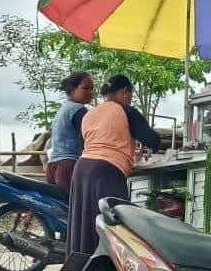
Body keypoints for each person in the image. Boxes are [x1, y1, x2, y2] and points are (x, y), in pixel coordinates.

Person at [67, 74, 160, 258]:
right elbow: (153, 140)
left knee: (85, 224)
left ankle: (83, 267)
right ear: (125, 92)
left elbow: (86, 144)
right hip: (106, 171)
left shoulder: (90, 113)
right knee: (114, 225)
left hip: (82, 170)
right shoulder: (125, 111)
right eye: (130, 95)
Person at [46, 72, 94, 193]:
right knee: (78, 209)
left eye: (92, 89)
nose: (90, 92)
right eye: (85, 88)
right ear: (72, 89)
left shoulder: (63, 108)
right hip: (69, 167)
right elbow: (90, 138)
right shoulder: (78, 110)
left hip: (53, 166)